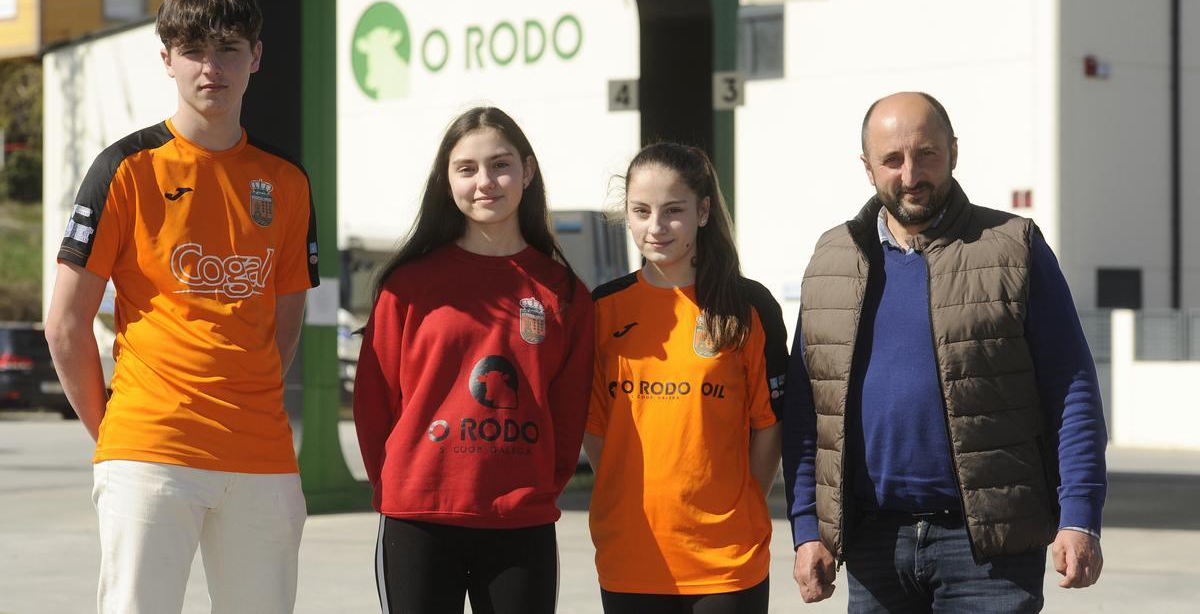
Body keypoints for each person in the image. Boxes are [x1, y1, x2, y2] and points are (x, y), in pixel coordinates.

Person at [45, 0, 318, 613]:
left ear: (256, 57)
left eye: (228, 48)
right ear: (166, 57)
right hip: (151, 449)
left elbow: (285, 323)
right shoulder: (126, 168)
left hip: (262, 456)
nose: (211, 66)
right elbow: (65, 324)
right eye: (193, 48)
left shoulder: (287, 182)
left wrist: (243, 399)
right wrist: (110, 428)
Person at [783, 91, 1108, 612]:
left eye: (926, 154)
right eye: (892, 159)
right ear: (867, 168)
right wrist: (807, 528)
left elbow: (1071, 389)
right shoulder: (832, 258)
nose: (911, 174)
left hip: (989, 556)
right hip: (873, 547)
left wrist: (1078, 516)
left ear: (953, 152)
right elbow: (806, 408)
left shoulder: (1014, 246)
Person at [353, 106, 594, 614]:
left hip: (519, 518)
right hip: (418, 515)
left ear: (527, 172)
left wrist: (531, 486)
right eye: (467, 169)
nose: (485, 181)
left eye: (500, 165)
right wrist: (400, 482)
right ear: (447, 181)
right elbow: (375, 402)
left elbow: (569, 414)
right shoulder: (407, 286)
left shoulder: (564, 292)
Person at [584, 142, 788, 614]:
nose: (655, 227)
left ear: (703, 211)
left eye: (673, 211)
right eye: (641, 211)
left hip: (726, 560)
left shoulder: (747, 306)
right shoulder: (600, 309)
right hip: (630, 554)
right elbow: (595, 429)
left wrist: (735, 504)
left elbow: (769, 425)